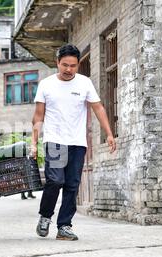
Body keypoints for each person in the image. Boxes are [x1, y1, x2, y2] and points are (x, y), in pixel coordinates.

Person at [31, 44, 117, 241]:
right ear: (57, 63)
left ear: (78, 65)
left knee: (72, 184)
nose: (69, 69)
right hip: (55, 141)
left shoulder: (85, 83)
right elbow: (38, 116)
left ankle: (64, 226)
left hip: (77, 142)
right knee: (55, 181)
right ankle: (45, 216)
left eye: (73, 66)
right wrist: (34, 143)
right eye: (64, 65)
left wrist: (109, 133)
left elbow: (98, 108)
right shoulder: (46, 84)